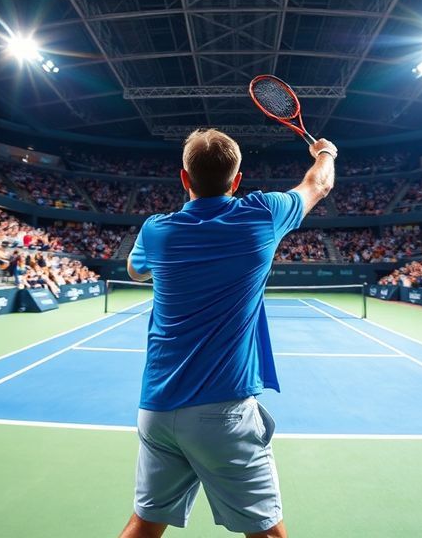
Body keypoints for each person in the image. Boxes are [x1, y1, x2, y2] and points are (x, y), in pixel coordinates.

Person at [119, 128, 336, 538]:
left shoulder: (156, 230)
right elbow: (318, 183)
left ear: (184, 179)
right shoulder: (263, 213)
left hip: (157, 409)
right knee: (267, 533)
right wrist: (325, 152)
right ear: (237, 180)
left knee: (144, 525)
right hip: (223, 412)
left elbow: (135, 269)